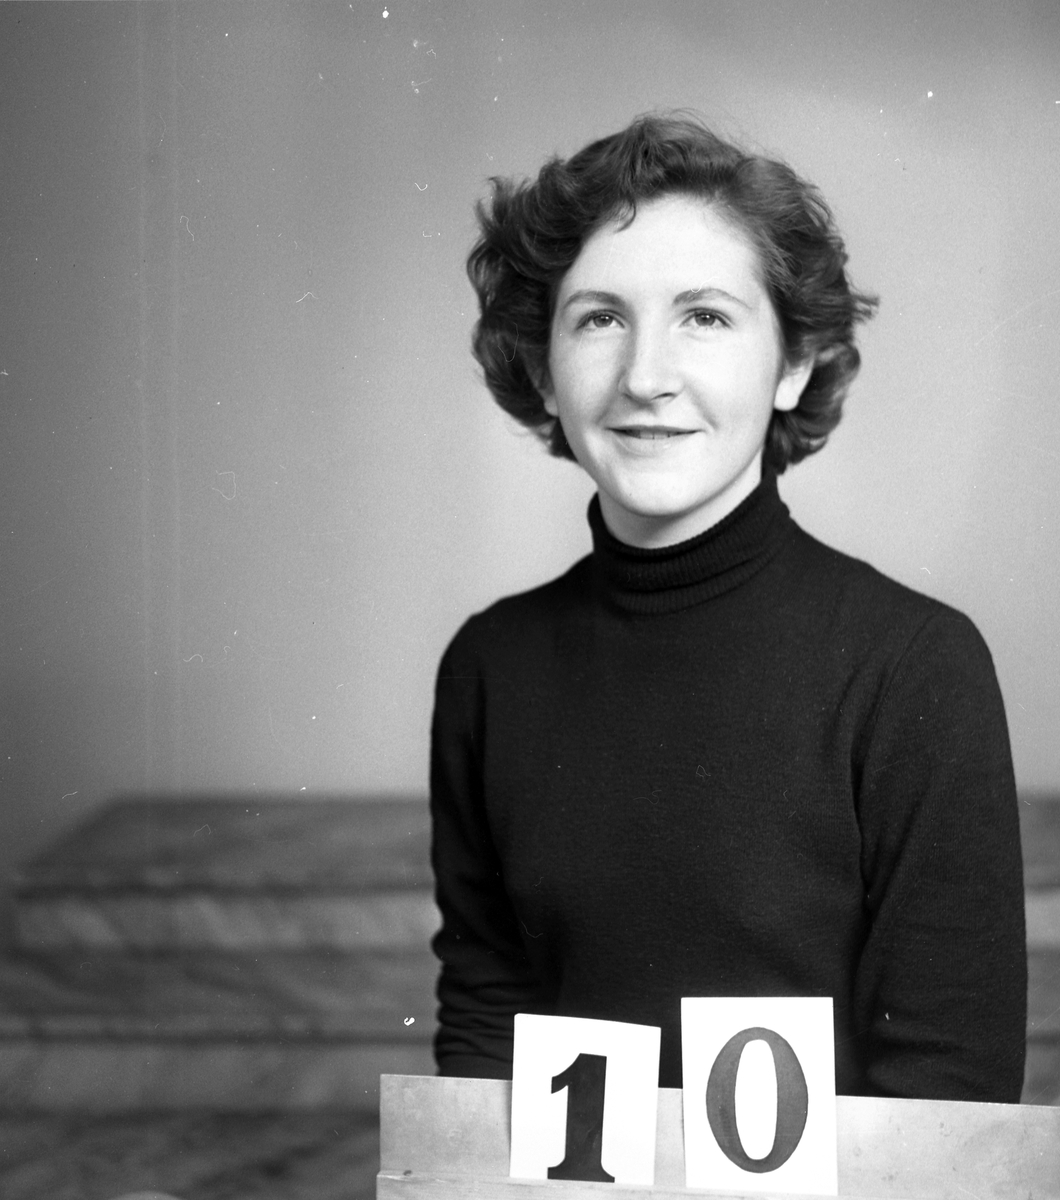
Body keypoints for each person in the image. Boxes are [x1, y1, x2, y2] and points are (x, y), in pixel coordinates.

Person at [429, 114, 1026, 1102]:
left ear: (792, 364)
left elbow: (947, 1092)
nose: (646, 378)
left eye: (704, 317)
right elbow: (489, 1027)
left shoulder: (914, 664)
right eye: (599, 319)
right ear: (541, 367)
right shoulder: (490, 666)